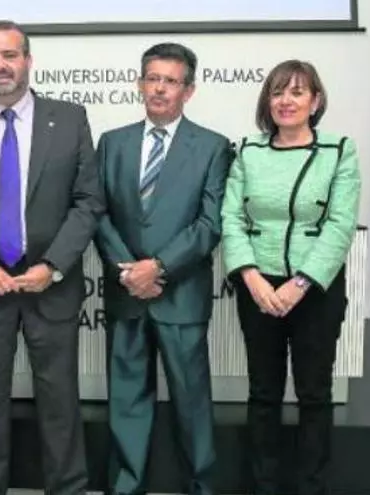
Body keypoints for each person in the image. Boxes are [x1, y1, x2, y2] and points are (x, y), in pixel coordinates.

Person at [0, 20, 103, 495]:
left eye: (9, 55)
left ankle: (68, 489)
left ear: (28, 60)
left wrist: (53, 267)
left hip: (51, 285)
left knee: (60, 401)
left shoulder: (69, 119)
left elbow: (88, 202)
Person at [94, 42, 230, 495]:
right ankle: (126, 488)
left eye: (170, 81)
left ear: (188, 91)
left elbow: (209, 224)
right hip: (126, 294)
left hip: (180, 296)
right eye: (152, 78)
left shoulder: (212, 147)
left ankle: (202, 488)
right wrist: (129, 272)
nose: (159, 89)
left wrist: (159, 268)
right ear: (139, 84)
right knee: (126, 404)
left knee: (192, 406)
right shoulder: (112, 143)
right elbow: (97, 213)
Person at [220, 59, 361, 495]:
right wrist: (251, 277)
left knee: (314, 394)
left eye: (297, 92)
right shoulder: (247, 151)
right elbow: (231, 218)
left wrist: (299, 284)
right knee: (263, 393)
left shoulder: (339, 150)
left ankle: (310, 486)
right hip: (258, 288)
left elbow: (340, 224)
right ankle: (263, 485)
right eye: (278, 92)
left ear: (315, 101)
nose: (286, 101)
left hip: (314, 290)